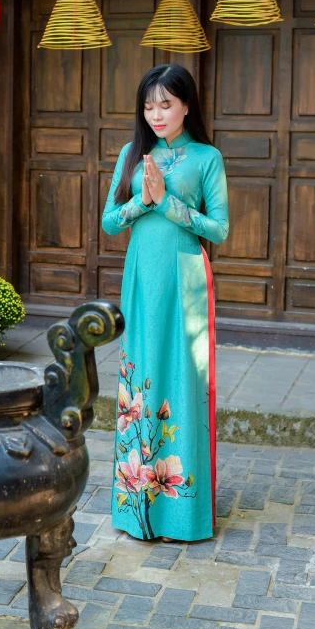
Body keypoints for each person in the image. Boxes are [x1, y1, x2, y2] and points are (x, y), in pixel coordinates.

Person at [102, 63, 229, 543]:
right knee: (141, 376)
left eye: (166, 104)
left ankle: (182, 514)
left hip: (186, 279)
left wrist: (170, 204)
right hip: (142, 276)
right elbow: (111, 222)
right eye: (149, 105)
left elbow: (219, 228)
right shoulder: (133, 154)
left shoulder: (206, 158)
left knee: (184, 376)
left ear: (186, 106)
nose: (156, 114)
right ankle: (137, 506)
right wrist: (143, 201)